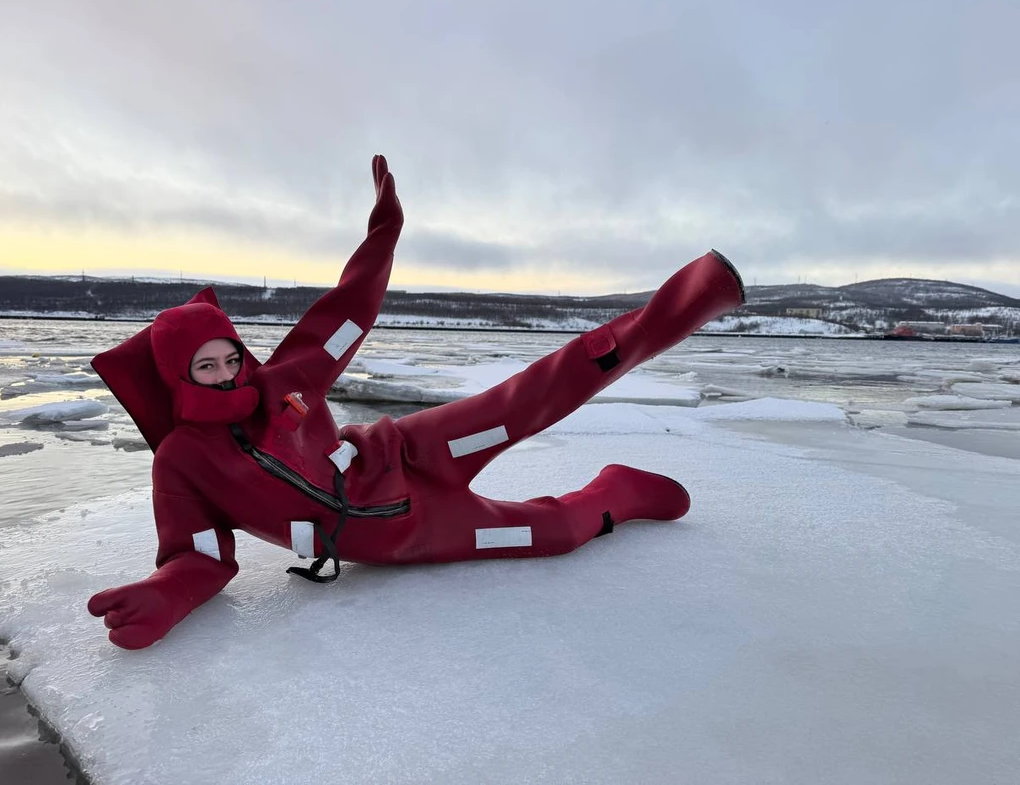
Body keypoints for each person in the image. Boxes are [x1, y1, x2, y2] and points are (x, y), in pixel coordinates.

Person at [88, 155, 745, 650]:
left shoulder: (279, 382)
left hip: (413, 450)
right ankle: (619, 492)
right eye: (208, 367)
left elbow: (347, 315)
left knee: (534, 396)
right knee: (553, 533)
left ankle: (678, 309)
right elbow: (200, 554)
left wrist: (384, 234)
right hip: (408, 535)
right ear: (180, 376)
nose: (230, 375)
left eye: (232, 357)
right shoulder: (181, 463)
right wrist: (166, 594)